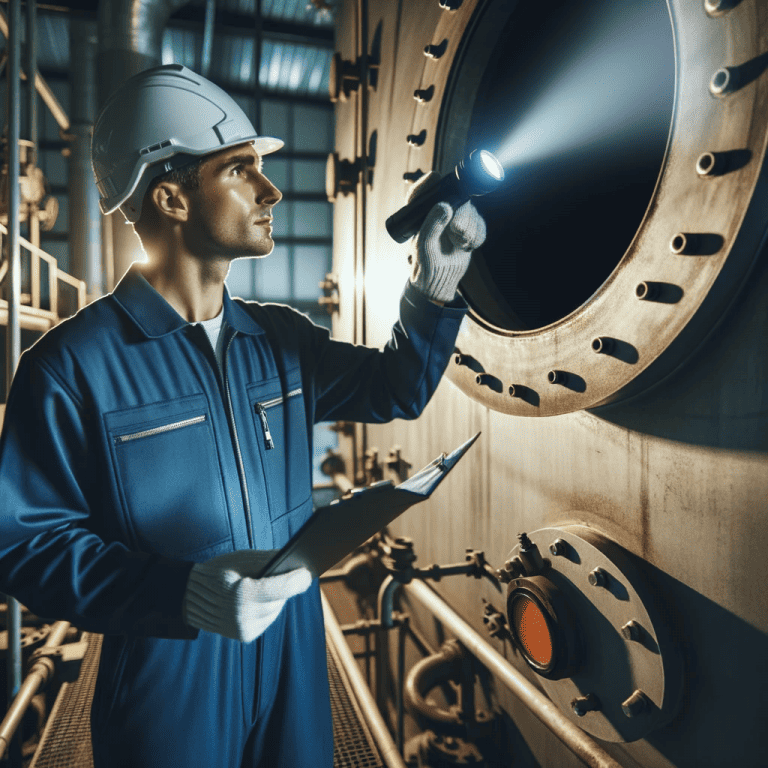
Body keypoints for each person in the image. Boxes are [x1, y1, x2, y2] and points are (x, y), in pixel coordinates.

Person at [0, 64, 486, 767]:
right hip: (169, 671)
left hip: (293, 649)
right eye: (239, 169)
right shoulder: (73, 366)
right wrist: (178, 593)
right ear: (171, 197)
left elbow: (394, 390)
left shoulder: (279, 338)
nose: (270, 190)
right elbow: (24, 546)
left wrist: (435, 285)